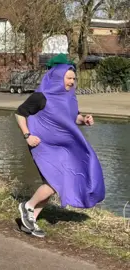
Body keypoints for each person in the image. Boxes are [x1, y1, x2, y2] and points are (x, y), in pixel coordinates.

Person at [14, 54, 105, 238]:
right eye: (69, 78)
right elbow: (20, 113)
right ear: (58, 77)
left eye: (73, 78)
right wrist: (27, 136)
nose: (72, 82)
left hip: (62, 148)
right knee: (54, 182)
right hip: (43, 146)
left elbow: (72, 118)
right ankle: (28, 206)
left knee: (54, 183)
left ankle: (29, 220)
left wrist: (84, 119)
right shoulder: (41, 97)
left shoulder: (70, 98)